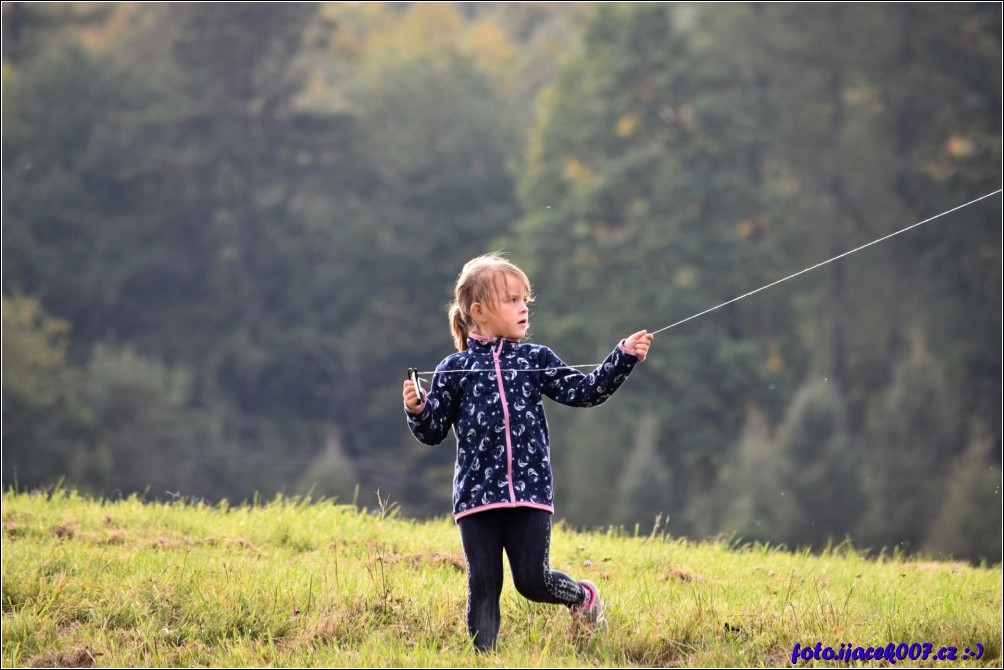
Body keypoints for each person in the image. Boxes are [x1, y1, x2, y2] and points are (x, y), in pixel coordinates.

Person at [402, 252, 653, 653]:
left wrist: (622, 357)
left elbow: (584, 392)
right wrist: (417, 409)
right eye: (512, 301)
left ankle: (583, 598)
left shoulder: (535, 359)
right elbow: (431, 432)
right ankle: (484, 659)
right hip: (476, 498)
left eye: (525, 301)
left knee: (532, 582)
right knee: (484, 583)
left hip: (530, 493)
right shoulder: (454, 369)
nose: (523, 309)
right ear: (478, 311)